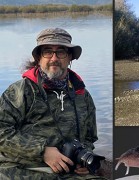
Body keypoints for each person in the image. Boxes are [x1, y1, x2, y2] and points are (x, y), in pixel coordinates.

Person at [0, 28, 106, 179]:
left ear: (70, 58)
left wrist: (82, 158)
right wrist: (42, 151)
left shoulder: (83, 95)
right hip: (25, 169)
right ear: (38, 58)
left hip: (69, 171)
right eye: (48, 51)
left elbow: (89, 137)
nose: (54, 58)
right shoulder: (20, 91)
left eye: (61, 52)